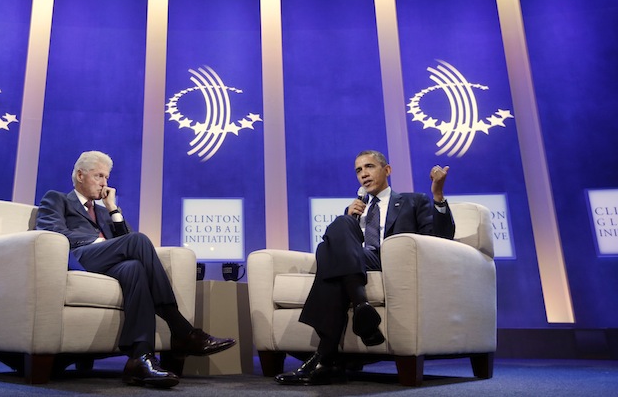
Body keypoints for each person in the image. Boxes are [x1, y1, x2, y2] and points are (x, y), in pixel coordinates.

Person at [35, 151, 236, 388]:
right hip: (78, 259)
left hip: (109, 265)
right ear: (80, 175)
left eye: (107, 178)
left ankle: (140, 359)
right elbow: (54, 233)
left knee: (135, 268)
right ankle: (181, 329)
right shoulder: (57, 199)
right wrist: (100, 242)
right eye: (99, 176)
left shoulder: (104, 211)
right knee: (139, 241)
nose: (104, 183)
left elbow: (126, 240)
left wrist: (112, 209)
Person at [275, 150, 455, 386]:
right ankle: (359, 307)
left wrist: (438, 195)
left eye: (369, 167)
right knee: (338, 228)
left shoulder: (415, 200)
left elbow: (440, 240)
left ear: (387, 170)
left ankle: (325, 359)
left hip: (390, 261)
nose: (363, 174)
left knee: (327, 252)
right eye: (359, 170)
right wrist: (350, 217)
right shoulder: (356, 209)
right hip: (358, 261)